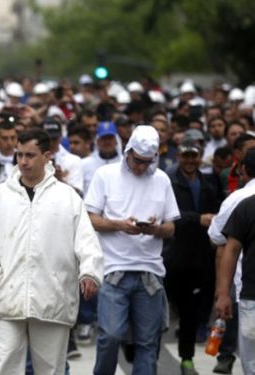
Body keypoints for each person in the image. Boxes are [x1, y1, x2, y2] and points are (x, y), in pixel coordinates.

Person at [0, 128, 103, 375]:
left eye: (30, 155)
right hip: (7, 296)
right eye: (19, 155)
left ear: (47, 156)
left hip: (53, 296)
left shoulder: (67, 197)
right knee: (6, 366)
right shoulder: (0, 195)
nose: (23, 161)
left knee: (51, 369)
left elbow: (87, 240)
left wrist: (89, 272)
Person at [85, 125, 180, 375]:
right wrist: (119, 225)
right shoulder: (105, 175)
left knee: (148, 343)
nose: (140, 167)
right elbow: (89, 218)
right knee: (110, 335)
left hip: (150, 272)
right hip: (113, 270)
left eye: (147, 162)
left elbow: (171, 227)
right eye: (137, 160)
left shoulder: (161, 179)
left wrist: (155, 229)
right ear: (127, 151)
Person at [163, 140, 220, 375]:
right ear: (178, 156)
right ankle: (141, 352)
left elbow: (218, 213)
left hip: (200, 258)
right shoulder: (169, 182)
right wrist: (196, 218)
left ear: (200, 157)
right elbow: (168, 216)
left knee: (189, 313)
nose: (189, 161)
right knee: (160, 313)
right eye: (185, 156)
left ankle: (187, 359)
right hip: (173, 257)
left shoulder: (208, 184)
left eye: (193, 156)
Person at [208, 148, 255, 374]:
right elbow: (231, 247)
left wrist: (223, 292)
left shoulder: (239, 201)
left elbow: (222, 242)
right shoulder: (246, 205)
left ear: (243, 170)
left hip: (247, 293)